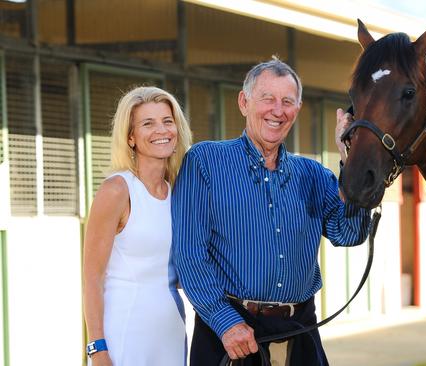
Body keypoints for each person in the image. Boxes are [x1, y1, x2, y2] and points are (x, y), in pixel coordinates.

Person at [172, 58, 371, 365]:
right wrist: (225, 321)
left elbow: (349, 234)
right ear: (244, 102)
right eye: (267, 99)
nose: (278, 110)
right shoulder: (204, 162)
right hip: (230, 337)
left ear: (298, 109)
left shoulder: (314, 174)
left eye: (287, 101)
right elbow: (189, 253)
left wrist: (353, 160)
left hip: (300, 332)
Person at [82, 86, 192, 366]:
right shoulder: (117, 190)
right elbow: (92, 278)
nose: (161, 130)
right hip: (126, 333)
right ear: (130, 137)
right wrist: (97, 349)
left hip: (171, 330)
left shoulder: (178, 193)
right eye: (148, 123)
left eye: (167, 121)